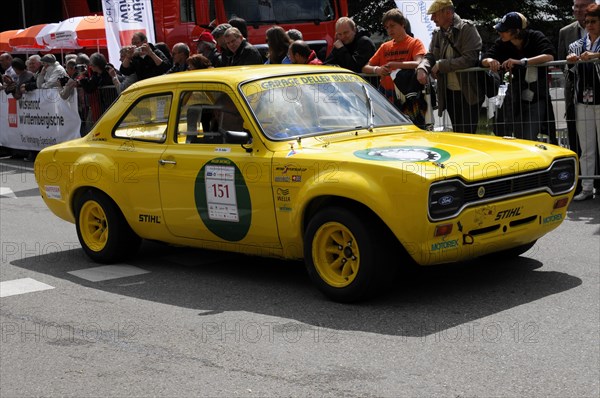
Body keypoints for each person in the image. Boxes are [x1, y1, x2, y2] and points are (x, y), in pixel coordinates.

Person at [481, 12, 557, 142]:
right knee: (517, 137)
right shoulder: (502, 42)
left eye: (504, 30)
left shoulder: (536, 36)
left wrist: (522, 62)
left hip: (537, 96)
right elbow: (484, 58)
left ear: (516, 31)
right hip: (515, 98)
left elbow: (549, 56)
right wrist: (490, 61)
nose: (500, 33)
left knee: (529, 136)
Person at [416, 0, 483, 134]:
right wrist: (422, 67)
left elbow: (469, 59)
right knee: (457, 134)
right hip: (449, 92)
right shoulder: (437, 33)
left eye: (435, 14)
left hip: (469, 92)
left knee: (467, 135)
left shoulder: (467, 28)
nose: (431, 18)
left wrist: (441, 65)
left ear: (447, 13)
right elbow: (430, 56)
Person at [566, 3, 600, 201]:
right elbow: (569, 73)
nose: (589, 25)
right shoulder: (576, 45)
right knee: (586, 148)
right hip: (583, 100)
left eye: (593, 21)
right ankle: (586, 187)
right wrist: (571, 61)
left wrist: (595, 56)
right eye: (586, 22)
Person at [363, 9, 426, 104]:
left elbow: (418, 63)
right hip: (386, 94)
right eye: (387, 27)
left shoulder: (415, 43)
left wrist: (394, 64)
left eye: (392, 26)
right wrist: (377, 70)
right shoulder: (385, 46)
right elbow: (365, 68)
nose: (389, 30)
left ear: (402, 24)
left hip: (408, 93)